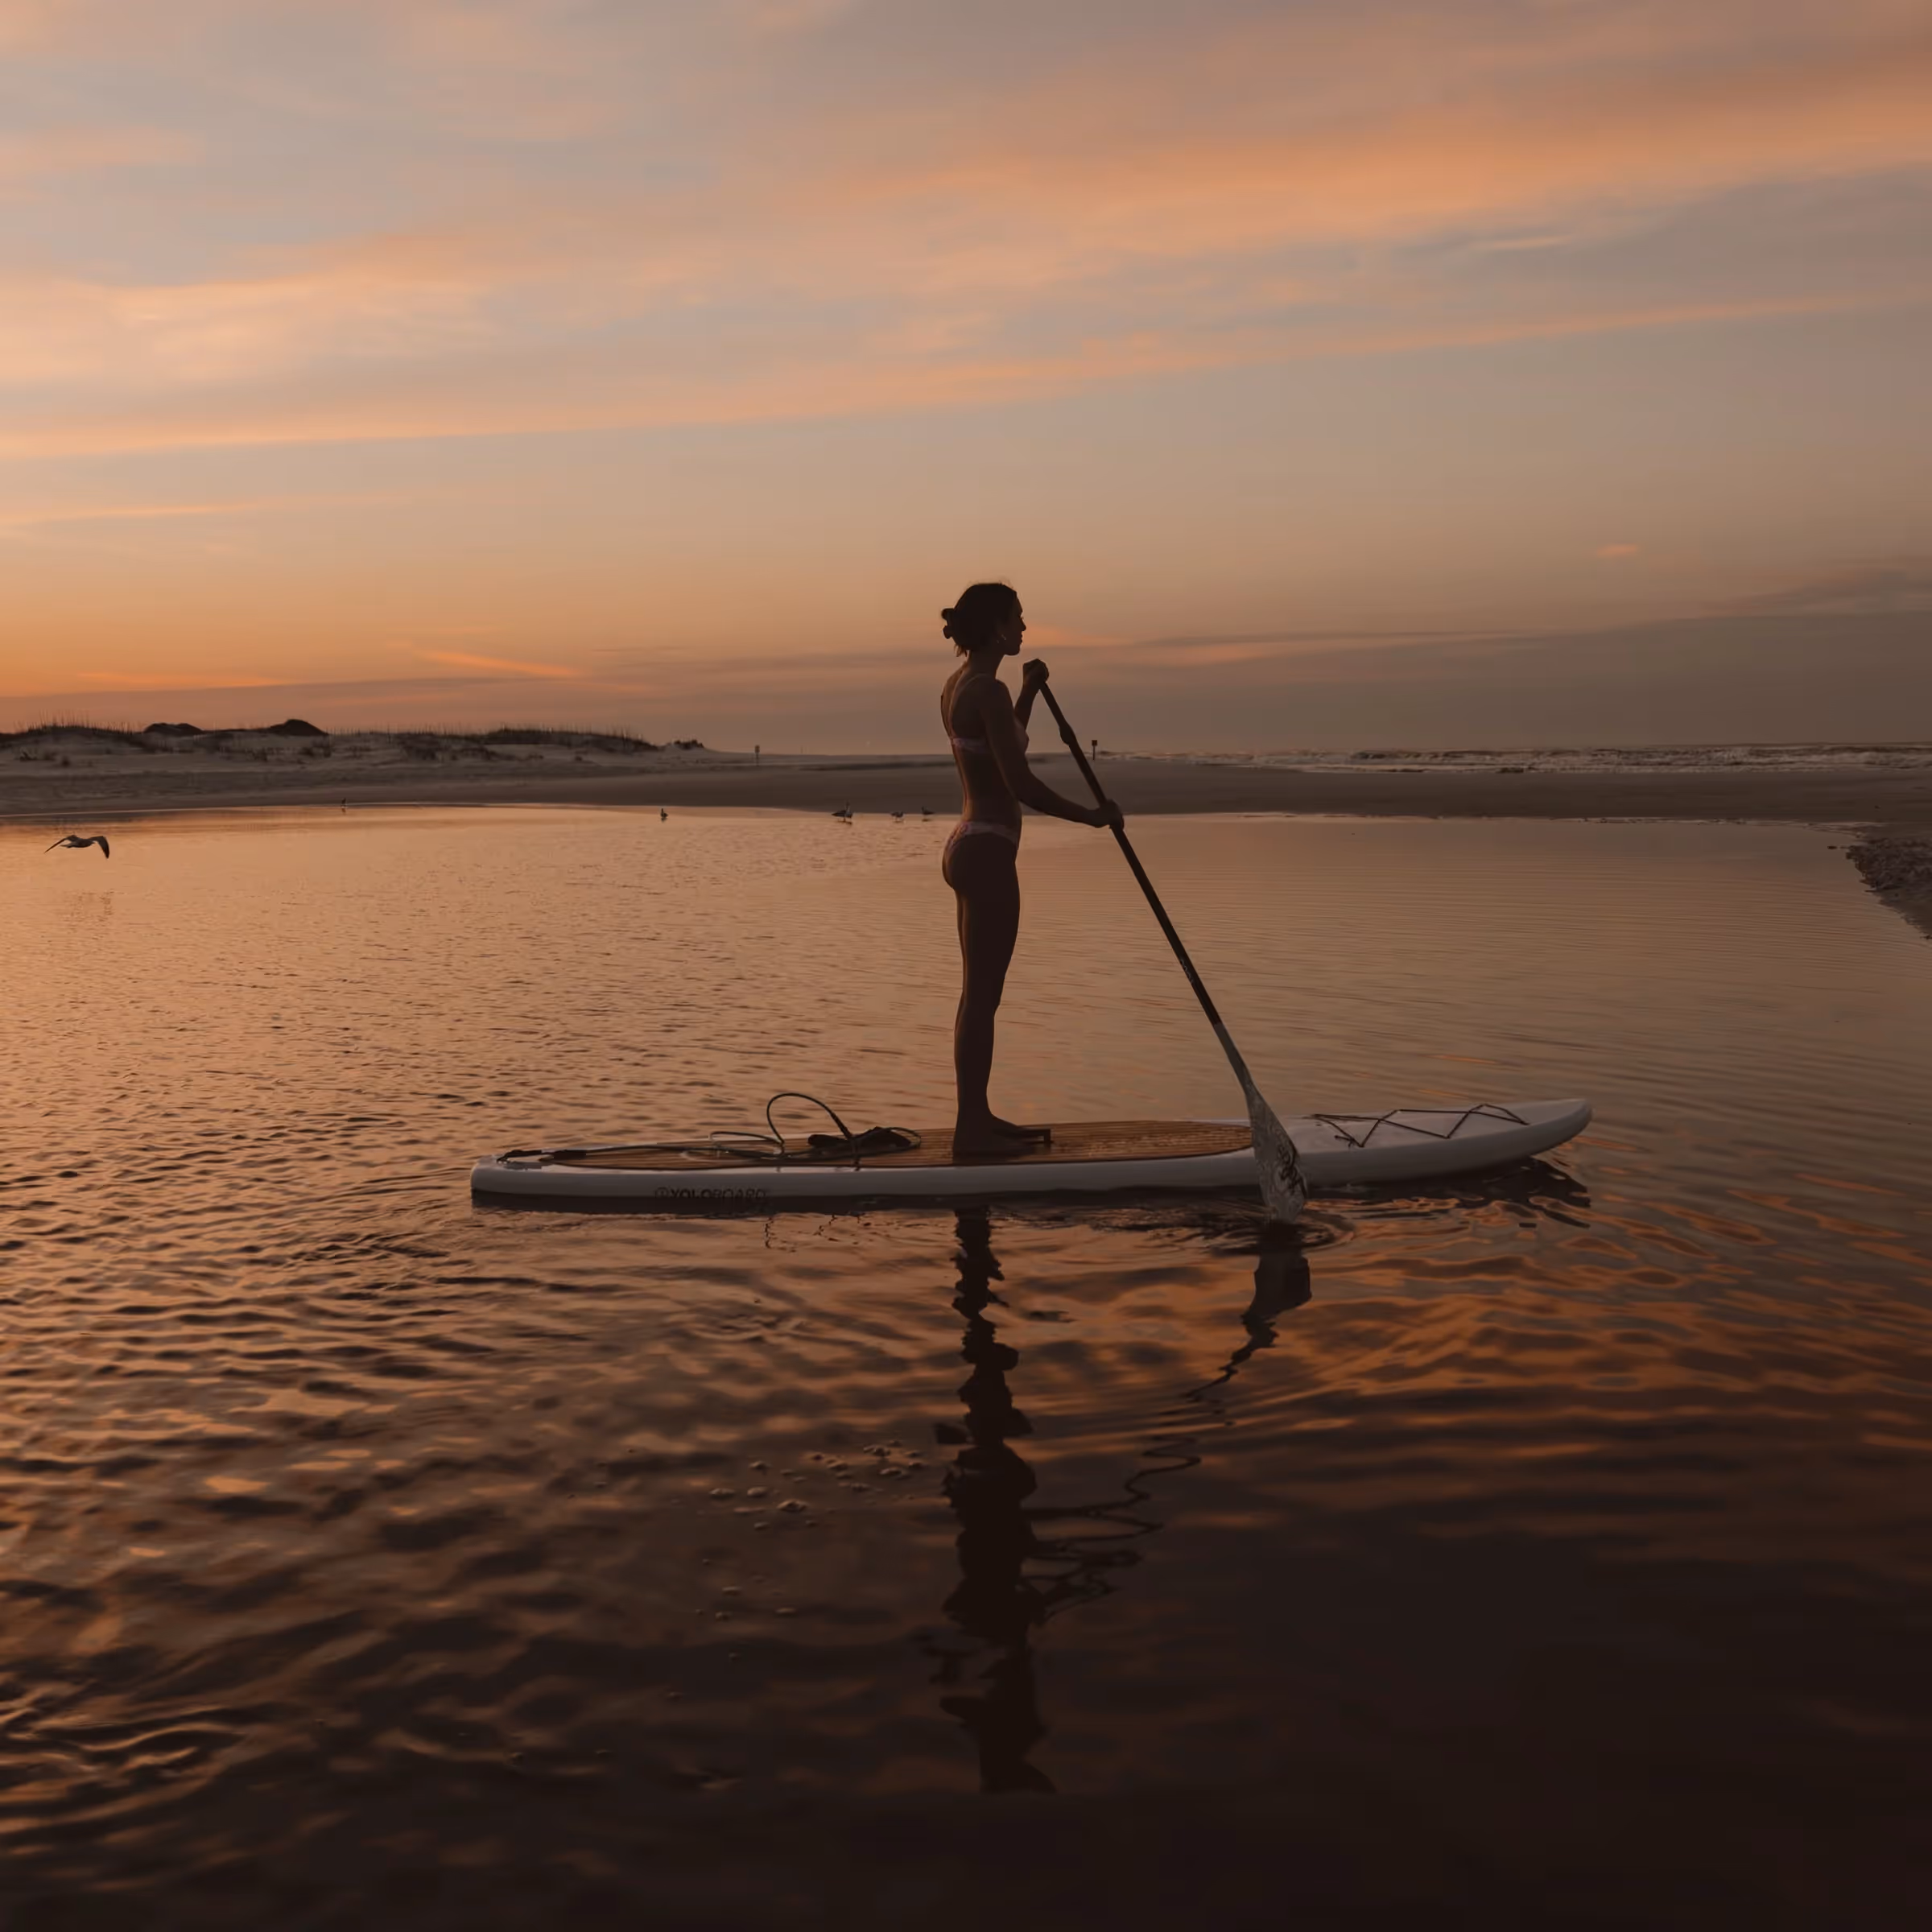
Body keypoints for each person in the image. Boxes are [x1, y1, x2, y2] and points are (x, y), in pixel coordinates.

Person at [939, 581, 1121, 1154]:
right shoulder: (985, 692)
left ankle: (977, 1116)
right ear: (996, 627)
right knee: (983, 998)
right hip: (989, 850)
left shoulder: (960, 687)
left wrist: (1029, 694)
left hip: (968, 844)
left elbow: (1003, 745)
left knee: (977, 996)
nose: (1024, 629)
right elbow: (1019, 782)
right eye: (1018, 619)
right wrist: (1091, 817)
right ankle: (971, 1131)